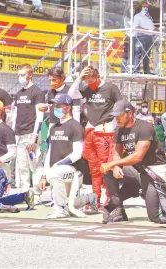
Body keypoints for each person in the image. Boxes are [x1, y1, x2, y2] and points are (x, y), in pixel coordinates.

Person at [99, 99, 166, 224]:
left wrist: (114, 163)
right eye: (115, 116)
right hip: (136, 170)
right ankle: (118, 209)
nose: (116, 119)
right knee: (108, 170)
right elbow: (116, 152)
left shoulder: (145, 127)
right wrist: (115, 166)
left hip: (153, 171)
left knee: (155, 217)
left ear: (129, 114)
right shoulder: (119, 130)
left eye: (119, 115)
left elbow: (137, 156)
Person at [67, 66, 123, 207]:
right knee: (93, 168)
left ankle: (110, 198)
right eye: (88, 81)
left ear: (98, 77)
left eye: (92, 81)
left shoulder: (111, 88)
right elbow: (70, 95)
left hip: (105, 130)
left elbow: (121, 105)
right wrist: (79, 78)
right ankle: (95, 198)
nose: (90, 84)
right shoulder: (87, 88)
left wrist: (115, 124)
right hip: (90, 130)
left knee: (106, 165)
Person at [36, 94, 97, 219]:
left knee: (60, 197)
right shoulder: (53, 128)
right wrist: (43, 175)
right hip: (57, 171)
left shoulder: (76, 126)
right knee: (69, 201)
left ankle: (61, 210)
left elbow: (78, 153)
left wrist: (58, 165)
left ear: (68, 108)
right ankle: (89, 198)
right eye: (54, 105)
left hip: (74, 171)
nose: (55, 108)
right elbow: (49, 153)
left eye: (58, 105)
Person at [12, 63, 45, 190]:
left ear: (30, 75)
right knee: (22, 166)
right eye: (18, 75)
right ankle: (26, 193)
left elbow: (40, 117)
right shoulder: (19, 93)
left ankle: (36, 193)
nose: (20, 77)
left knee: (35, 163)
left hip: (31, 134)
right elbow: (15, 116)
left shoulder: (38, 92)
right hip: (18, 135)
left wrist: (34, 137)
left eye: (22, 74)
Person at [39, 67, 80, 133]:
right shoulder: (50, 92)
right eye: (50, 80)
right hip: (53, 126)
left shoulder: (71, 91)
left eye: (54, 80)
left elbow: (76, 112)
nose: (51, 83)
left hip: (67, 126)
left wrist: (76, 129)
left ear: (62, 78)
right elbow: (51, 108)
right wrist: (44, 109)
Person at [133, 1, 156, 74]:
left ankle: (147, 70)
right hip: (140, 36)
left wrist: (159, 30)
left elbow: (152, 27)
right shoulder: (137, 16)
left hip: (149, 37)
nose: (146, 8)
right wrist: (146, 30)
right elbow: (136, 26)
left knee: (147, 55)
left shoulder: (149, 17)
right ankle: (136, 70)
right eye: (144, 6)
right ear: (141, 7)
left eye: (147, 7)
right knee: (139, 54)